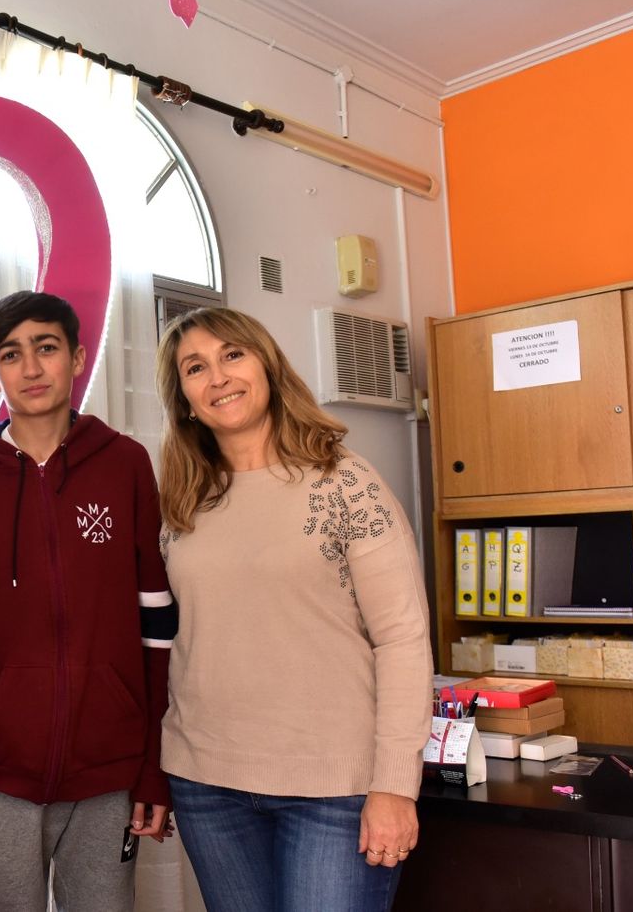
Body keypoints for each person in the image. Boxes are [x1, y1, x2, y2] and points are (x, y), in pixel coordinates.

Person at [154, 307, 432, 912]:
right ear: (184, 400)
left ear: (267, 365)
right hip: (208, 782)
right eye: (195, 368)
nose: (218, 377)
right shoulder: (180, 503)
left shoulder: (346, 483)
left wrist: (394, 785)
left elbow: (403, 639)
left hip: (335, 789)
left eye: (233, 355)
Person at [0, 290, 177, 912]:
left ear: (78, 357)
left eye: (46, 348)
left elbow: (158, 628)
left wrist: (154, 768)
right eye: (11, 354)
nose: (31, 368)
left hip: (111, 774)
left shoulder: (126, 465)